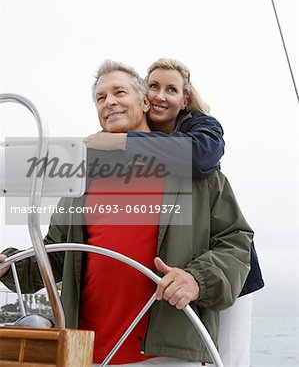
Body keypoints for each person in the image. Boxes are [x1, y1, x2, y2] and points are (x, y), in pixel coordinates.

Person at [0, 60, 253, 366]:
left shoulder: (192, 169)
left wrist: (197, 279)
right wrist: (9, 266)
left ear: (145, 101)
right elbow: (55, 256)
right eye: (100, 97)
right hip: (87, 353)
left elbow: (236, 241)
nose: (110, 102)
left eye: (119, 91)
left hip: (167, 354)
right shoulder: (79, 177)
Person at [85, 58, 265, 367]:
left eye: (171, 89)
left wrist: (120, 141)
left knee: (232, 357)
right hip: (103, 348)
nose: (159, 96)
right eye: (153, 86)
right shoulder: (100, 167)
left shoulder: (197, 137)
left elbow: (201, 157)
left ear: (184, 100)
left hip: (229, 279)